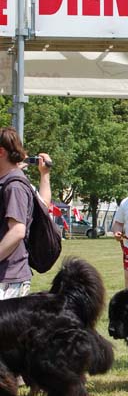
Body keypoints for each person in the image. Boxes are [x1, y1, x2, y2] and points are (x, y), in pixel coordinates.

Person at [0, 126, 52, 300]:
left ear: (1, 152)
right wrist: (44, 175)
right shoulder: (14, 180)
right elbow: (44, 204)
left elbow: (17, 231)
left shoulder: (14, 186)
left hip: (7, 279)